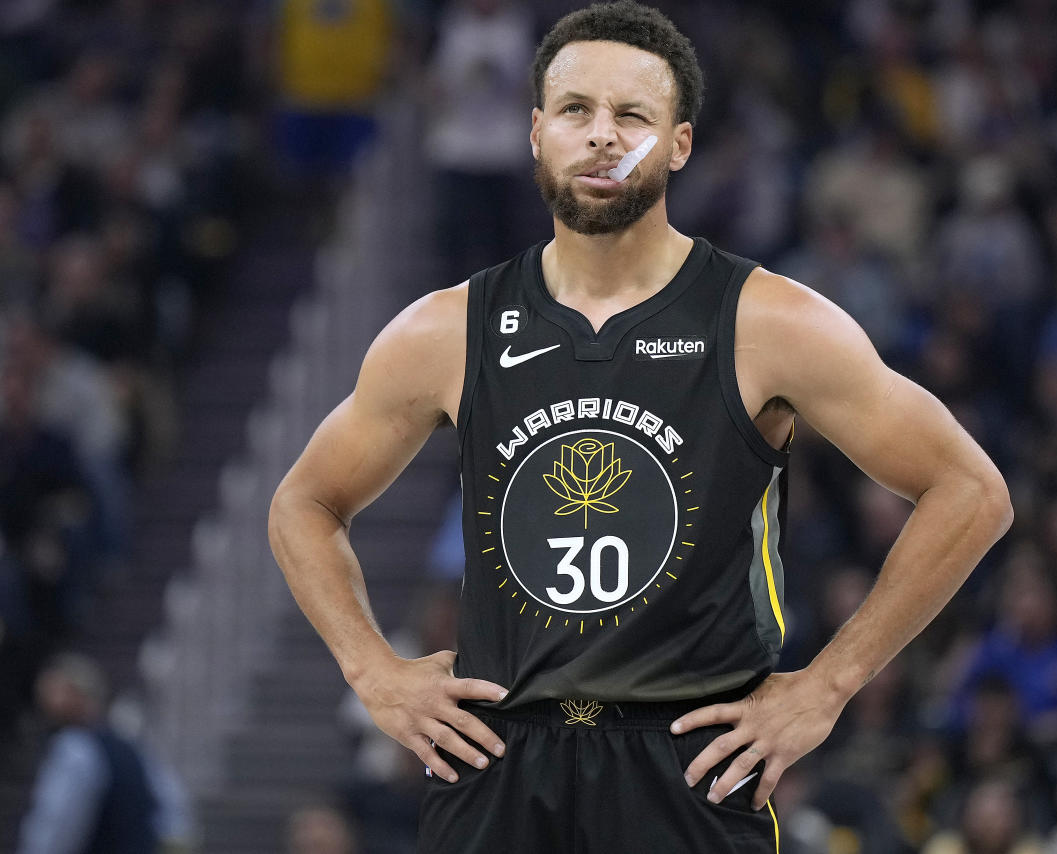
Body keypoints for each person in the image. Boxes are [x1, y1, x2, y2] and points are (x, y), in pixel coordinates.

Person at [267, 3, 1012, 852]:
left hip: (689, 762)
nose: (602, 136)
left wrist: (828, 686)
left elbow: (972, 491)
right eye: (577, 111)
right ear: (537, 132)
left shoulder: (769, 322)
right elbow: (304, 504)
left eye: (632, 116)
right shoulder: (445, 329)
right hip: (499, 757)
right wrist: (373, 671)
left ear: (680, 144)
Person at [16, 653, 193, 854]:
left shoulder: (74, 748)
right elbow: (174, 812)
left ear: (79, 693)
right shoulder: (130, 746)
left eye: (57, 693)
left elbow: (57, 823)